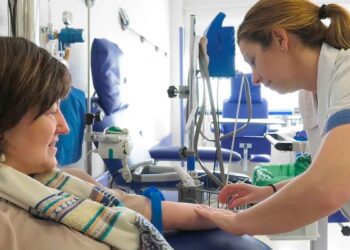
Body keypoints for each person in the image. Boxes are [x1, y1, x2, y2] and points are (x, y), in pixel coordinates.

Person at [0, 36, 216, 250]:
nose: (65, 127)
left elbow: (133, 207)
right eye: (51, 111)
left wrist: (229, 218)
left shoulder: (66, 181)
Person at [194, 0, 350, 236]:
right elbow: (324, 172)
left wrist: (240, 223)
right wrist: (268, 190)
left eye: (253, 61)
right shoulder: (309, 96)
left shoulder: (346, 72)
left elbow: (328, 186)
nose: (254, 79)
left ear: (280, 39)